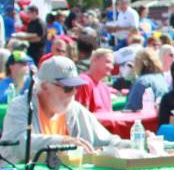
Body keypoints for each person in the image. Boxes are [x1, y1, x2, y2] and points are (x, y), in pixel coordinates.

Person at [0, 57, 130, 163]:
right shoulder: (21, 106)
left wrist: (137, 144)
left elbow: (108, 141)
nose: (73, 92)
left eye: (76, 87)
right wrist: (62, 142)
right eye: (68, 88)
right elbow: (18, 143)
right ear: (45, 86)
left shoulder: (73, 108)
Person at [74, 48, 115, 113]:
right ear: (94, 60)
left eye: (112, 63)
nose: (112, 67)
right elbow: (81, 116)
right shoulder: (84, 82)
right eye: (108, 62)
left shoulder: (104, 87)